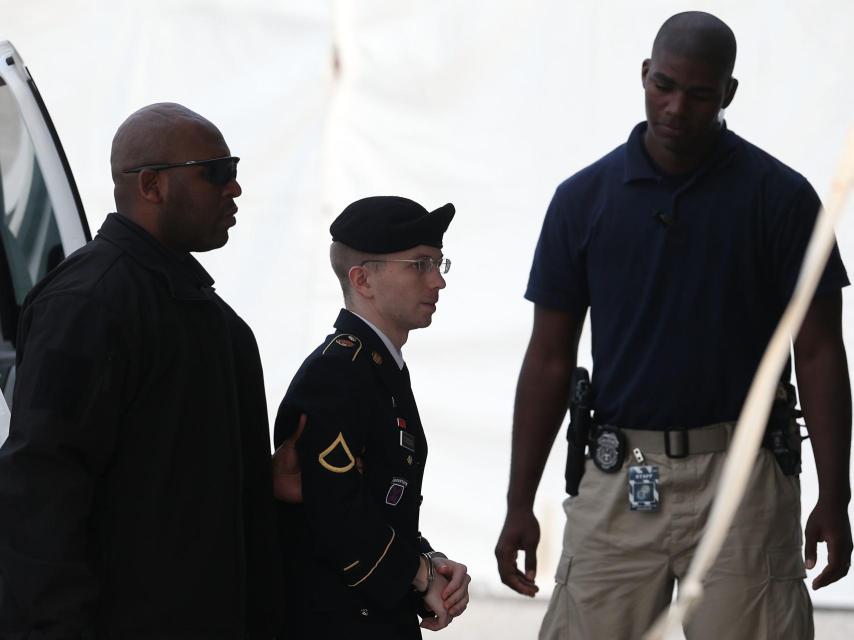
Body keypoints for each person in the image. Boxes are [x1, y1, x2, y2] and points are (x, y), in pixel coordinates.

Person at [495, 11, 852, 640]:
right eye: (663, 85)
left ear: (729, 94)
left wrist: (836, 496)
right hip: (617, 478)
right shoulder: (583, 200)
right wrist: (518, 503)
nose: (676, 107)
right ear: (643, 74)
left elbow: (821, 352)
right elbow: (549, 357)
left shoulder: (782, 199)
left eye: (699, 93)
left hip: (745, 486)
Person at [0, 103, 281, 638]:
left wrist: (265, 480)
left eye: (236, 169)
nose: (235, 188)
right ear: (151, 185)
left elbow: (171, 475)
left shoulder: (214, 319)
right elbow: (41, 489)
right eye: (217, 171)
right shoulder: (87, 304)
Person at [274, 196, 471, 639]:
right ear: (363, 279)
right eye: (420, 265)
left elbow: (378, 502)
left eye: (440, 264)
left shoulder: (377, 368)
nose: (437, 281)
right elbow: (334, 512)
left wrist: (429, 560)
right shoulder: (337, 374)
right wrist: (418, 574)